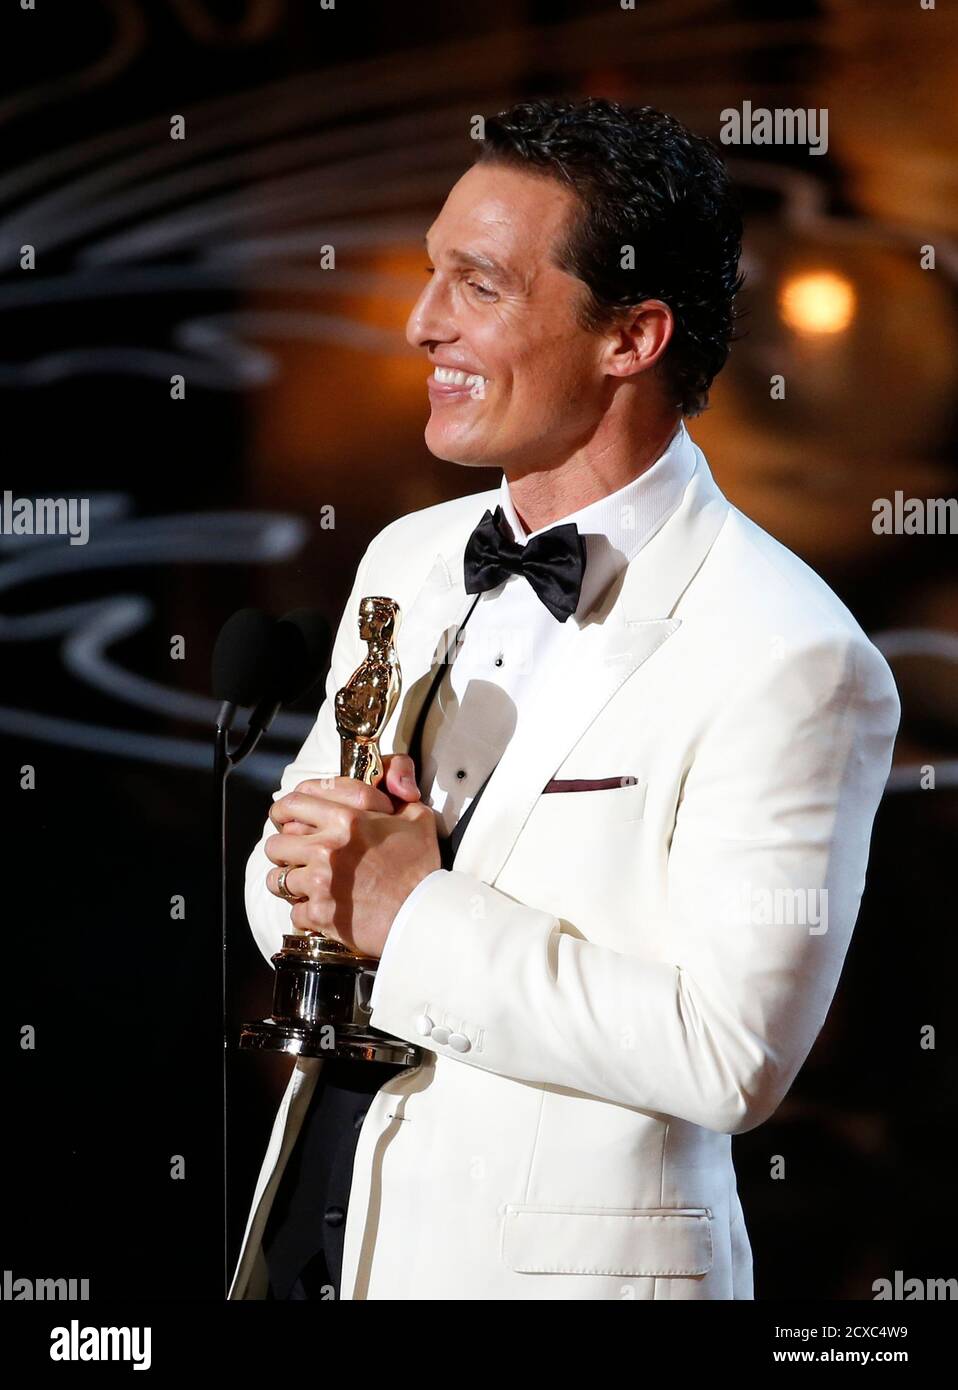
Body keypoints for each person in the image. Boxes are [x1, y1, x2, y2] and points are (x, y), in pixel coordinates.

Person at [228, 97, 900, 1301]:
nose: (420, 323)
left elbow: (729, 1054)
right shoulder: (407, 559)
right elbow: (288, 901)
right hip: (320, 1237)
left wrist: (409, 907)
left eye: (477, 286)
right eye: (433, 274)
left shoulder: (793, 653)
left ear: (630, 336)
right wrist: (324, 884)